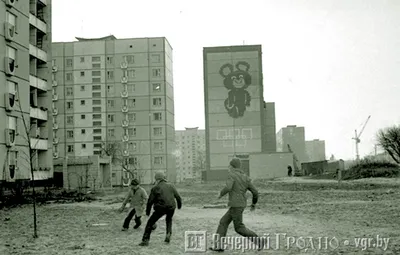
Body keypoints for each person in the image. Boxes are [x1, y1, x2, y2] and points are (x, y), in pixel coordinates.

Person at [210, 158, 262, 252]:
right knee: (223, 222)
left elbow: (228, 187)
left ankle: (259, 242)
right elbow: (255, 192)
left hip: (236, 206)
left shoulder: (232, 175)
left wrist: (220, 194)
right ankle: (218, 246)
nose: (228, 168)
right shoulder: (245, 177)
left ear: (232, 166)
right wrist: (253, 204)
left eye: (229, 166)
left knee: (239, 228)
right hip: (239, 205)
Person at [139, 171, 182, 246]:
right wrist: (179, 206)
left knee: (150, 222)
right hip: (171, 207)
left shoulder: (155, 188)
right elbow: (178, 197)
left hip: (160, 208)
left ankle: (145, 240)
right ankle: (168, 233)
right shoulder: (171, 185)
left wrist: (147, 212)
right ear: (164, 178)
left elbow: (150, 201)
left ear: (157, 179)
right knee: (169, 220)